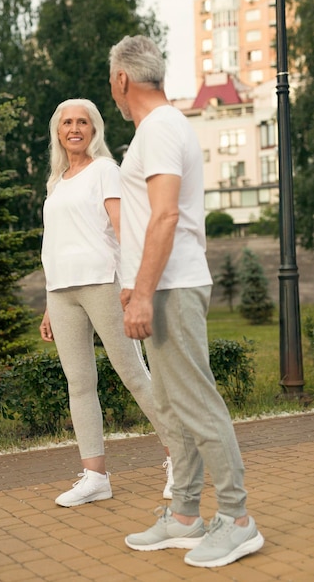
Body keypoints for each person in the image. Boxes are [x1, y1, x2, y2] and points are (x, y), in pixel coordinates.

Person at [108, 35, 264, 568]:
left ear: (123, 80)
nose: (113, 91)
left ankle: (239, 521)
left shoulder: (158, 129)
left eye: (112, 83)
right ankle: (185, 514)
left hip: (171, 289)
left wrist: (143, 295)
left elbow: (166, 216)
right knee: (175, 406)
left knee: (196, 403)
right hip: (161, 287)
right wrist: (134, 284)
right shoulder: (163, 128)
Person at [39, 97, 173, 507]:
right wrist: (47, 301)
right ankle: (95, 476)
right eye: (67, 123)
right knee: (79, 384)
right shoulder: (56, 180)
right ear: (58, 131)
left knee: (133, 373)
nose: (74, 128)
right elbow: (54, 243)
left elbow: (122, 230)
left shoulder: (105, 171)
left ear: (94, 129)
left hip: (103, 284)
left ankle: (180, 457)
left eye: (83, 121)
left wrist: (131, 286)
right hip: (62, 292)